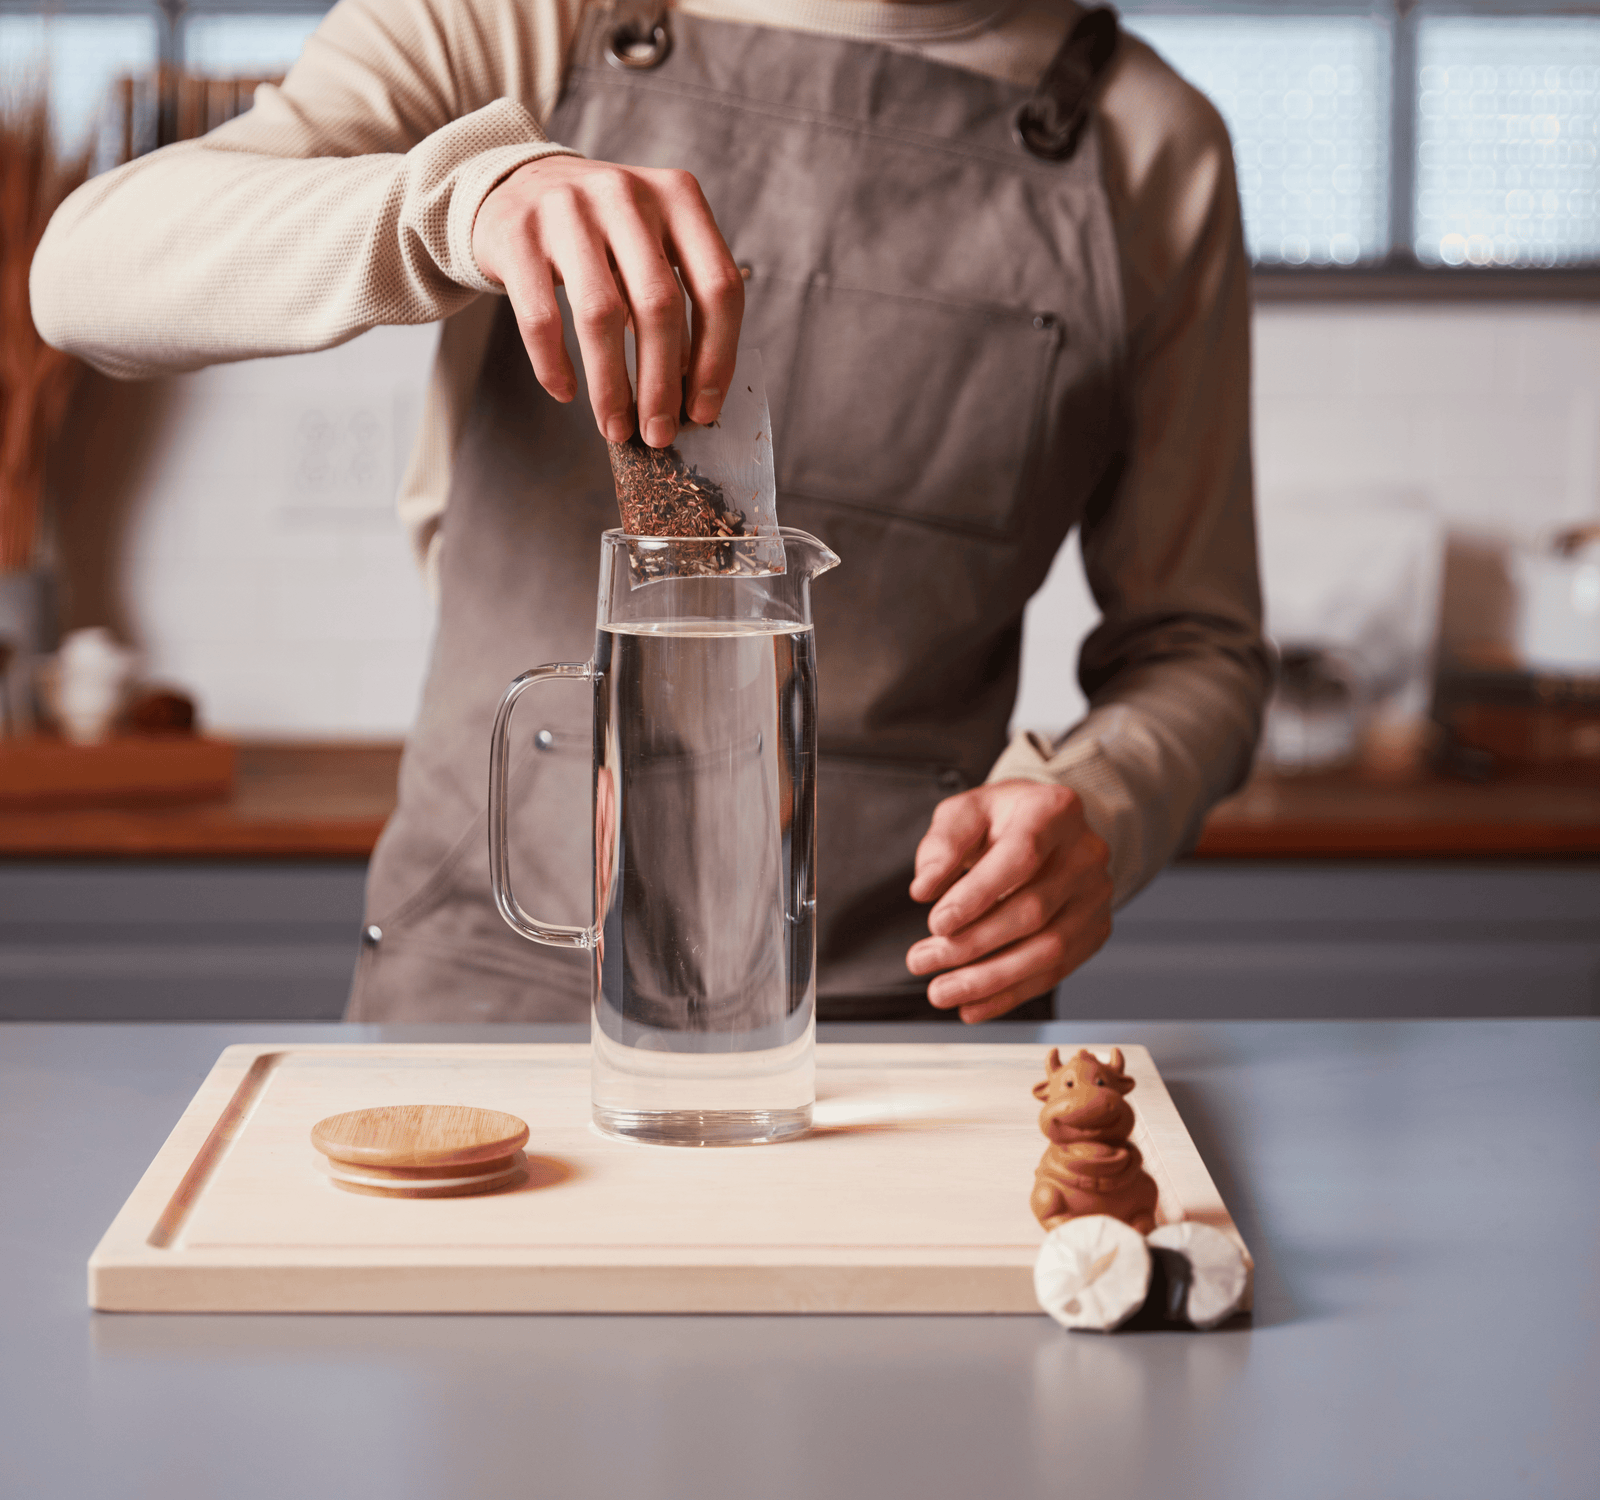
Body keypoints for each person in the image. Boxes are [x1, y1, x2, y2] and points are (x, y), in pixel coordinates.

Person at [31, 0, 1271, 1025]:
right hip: (485, 989)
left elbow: (1197, 646)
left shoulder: (1152, 148)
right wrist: (463, 198)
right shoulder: (521, 24)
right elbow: (86, 271)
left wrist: (1106, 799)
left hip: (897, 1023)